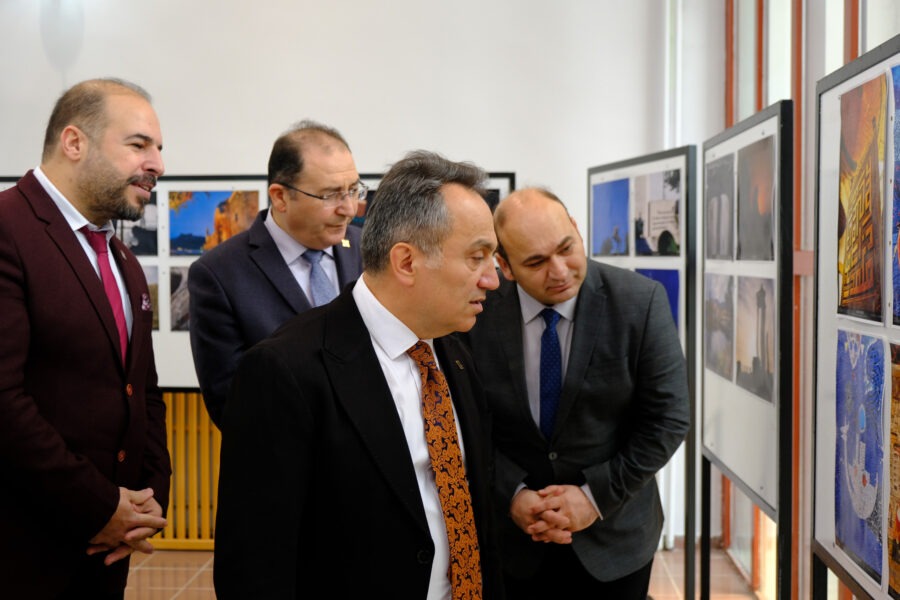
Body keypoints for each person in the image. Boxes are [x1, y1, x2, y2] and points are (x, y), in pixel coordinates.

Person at [214, 150, 505, 599]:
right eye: (477, 257)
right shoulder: (286, 370)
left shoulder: (456, 352)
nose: (493, 279)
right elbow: (255, 565)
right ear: (406, 262)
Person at [462, 187, 690, 598]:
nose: (559, 271)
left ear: (577, 230)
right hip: (511, 540)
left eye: (566, 249)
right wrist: (510, 493)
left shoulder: (639, 301)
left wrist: (593, 497)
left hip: (615, 537)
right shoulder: (476, 311)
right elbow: (466, 419)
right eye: (536, 262)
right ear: (505, 266)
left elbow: (668, 419)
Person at [0, 78, 171, 598]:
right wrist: (98, 506)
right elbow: (4, 400)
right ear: (74, 142)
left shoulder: (122, 259)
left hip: (106, 549)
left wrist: (147, 500)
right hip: (24, 549)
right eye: (139, 144)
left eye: (159, 148)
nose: (158, 164)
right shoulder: (8, 229)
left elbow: (143, 390)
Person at [188, 120, 365, 428]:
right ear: (280, 197)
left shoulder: (367, 249)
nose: (349, 209)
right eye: (330, 195)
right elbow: (231, 401)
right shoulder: (219, 274)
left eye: (353, 190)